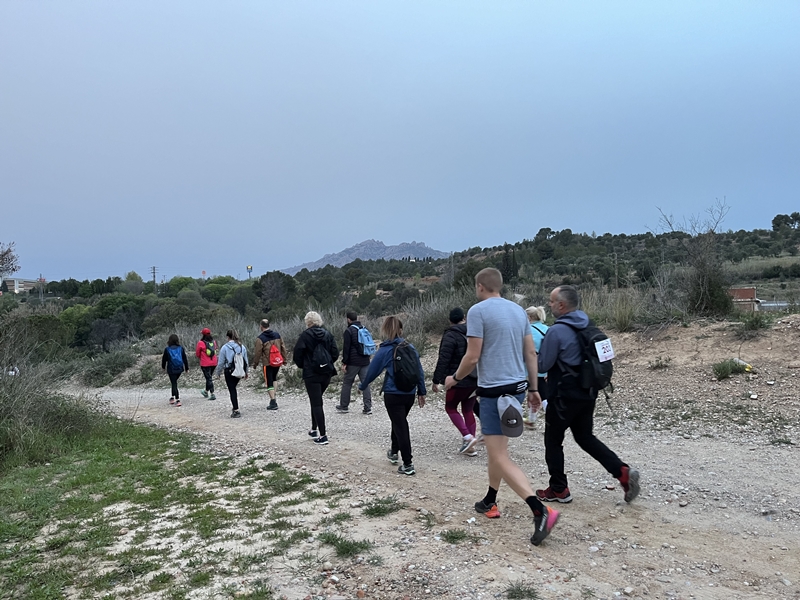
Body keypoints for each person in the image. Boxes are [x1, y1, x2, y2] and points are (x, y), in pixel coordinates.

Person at [445, 268, 559, 546]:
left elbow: (472, 357)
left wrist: (454, 379)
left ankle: (540, 510)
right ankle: (490, 499)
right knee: (498, 451)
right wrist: (533, 389)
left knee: (498, 456)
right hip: (517, 390)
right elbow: (530, 353)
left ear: (480, 286)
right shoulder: (518, 311)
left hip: (493, 392)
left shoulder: (477, 311)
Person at [536, 285, 640, 504]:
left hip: (563, 396)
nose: (549, 304)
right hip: (588, 391)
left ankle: (559, 489)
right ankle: (622, 472)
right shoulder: (590, 325)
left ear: (561, 305)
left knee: (553, 441)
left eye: (552, 301)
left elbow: (543, 365)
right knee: (585, 437)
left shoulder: (556, 331)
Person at [359, 316, 427, 476]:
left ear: (385, 330)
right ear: (401, 330)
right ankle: (394, 452)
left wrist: (362, 386)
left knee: (400, 425)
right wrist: (421, 391)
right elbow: (419, 371)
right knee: (398, 422)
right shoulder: (411, 348)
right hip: (409, 394)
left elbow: (372, 371)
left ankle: (408, 464)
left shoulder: (385, 350)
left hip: (393, 394)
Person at [432, 307, 479, 455]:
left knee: (451, 407)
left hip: (456, 380)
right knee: (468, 409)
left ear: (450, 320)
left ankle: (467, 437)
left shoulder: (450, 335)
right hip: (474, 379)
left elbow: (443, 359)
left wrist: (436, 380)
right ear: (464, 318)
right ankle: (471, 446)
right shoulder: (474, 333)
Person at [292, 311, 339, 445]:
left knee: (316, 402)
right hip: (326, 373)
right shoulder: (327, 334)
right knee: (316, 400)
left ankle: (323, 436)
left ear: (308, 322)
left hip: (311, 373)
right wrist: (327, 363)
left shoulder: (304, 336)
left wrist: (304, 365)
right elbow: (335, 353)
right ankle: (314, 429)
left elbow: (297, 354)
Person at [336, 311, 373, 415]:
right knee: (365, 383)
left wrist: (344, 363)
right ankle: (368, 407)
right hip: (365, 361)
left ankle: (344, 406)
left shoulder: (349, 331)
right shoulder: (364, 328)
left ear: (348, 319)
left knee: (347, 383)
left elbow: (346, 349)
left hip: (353, 362)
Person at [253, 318, 288, 410]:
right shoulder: (277, 335)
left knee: (269, 381)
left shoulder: (260, 338)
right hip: (277, 361)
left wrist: (255, 363)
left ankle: (273, 402)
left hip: (267, 363)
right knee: (274, 378)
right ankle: (274, 397)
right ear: (269, 325)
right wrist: (284, 359)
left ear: (261, 326)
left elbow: (258, 353)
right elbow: (283, 347)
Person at [215, 329, 249, 418]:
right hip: (240, 370)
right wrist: (246, 372)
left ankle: (236, 409)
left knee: (232, 390)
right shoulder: (242, 347)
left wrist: (218, 372)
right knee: (234, 387)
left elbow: (221, 362)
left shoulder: (225, 347)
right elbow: (246, 361)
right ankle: (235, 408)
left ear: (227, 337)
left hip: (229, 371)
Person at [524, 306, 549, 425]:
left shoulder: (527, 330)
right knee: (540, 392)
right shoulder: (547, 329)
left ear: (529, 317)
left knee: (538, 394)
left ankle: (551, 418)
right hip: (544, 366)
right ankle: (531, 418)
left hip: (530, 367)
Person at [161, 333, 189, 407]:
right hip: (179, 368)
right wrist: (186, 368)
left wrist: (163, 367)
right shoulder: (181, 348)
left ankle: (177, 399)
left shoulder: (167, 349)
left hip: (171, 369)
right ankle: (172, 397)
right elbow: (184, 358)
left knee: (174, 383)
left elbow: (164, 359)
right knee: (174, 382)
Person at [196, 327, 218, 400]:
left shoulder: (200, 343)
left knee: (209, 378)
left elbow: (197, 353)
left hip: (205, 363)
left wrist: (201, 357)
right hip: (214, 362)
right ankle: (205, 391)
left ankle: (212, 393)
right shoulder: (213, 342)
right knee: (209, 378)